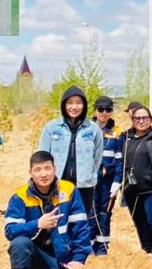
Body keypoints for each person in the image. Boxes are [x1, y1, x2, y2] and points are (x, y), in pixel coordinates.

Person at [2, 150, 92, 269]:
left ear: (54, 169)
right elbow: (10, 231)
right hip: (33, 254)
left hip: (61, 257)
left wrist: (78, 259)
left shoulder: (69, 190)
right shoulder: (20, 196)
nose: (43, 174)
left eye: (47, 168)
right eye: (37, 170)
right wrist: (37, 224)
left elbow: (81, 228)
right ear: (30, 172)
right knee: (19, 243)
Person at [37, 85, 103, 231]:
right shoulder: (52, 127)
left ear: (84, 106)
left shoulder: (93, 129)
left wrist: (89, 173)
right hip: (57, 183)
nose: (74, 107)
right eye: (70, 103)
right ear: (63, 105)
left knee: (80, 222)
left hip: (84, 185)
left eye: (78, 103)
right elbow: (42, 156)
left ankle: (77, 246)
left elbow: (97, 157)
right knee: (56, 221)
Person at [119, 104, 152, 255]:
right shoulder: (125, 137)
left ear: (150, 119)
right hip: (131, 189)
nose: (141, 121)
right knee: (140, 223)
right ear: (132, 120)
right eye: (137, 118)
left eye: (144, 118)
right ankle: (147, 252)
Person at [92, 96, 122, 255]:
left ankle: (102, 248)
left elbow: (119, 159)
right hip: (89, 180)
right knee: (91, 214)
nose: (104, 113)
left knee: (105, 214)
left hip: (108, 181)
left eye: (108, 109)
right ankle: (89, 249)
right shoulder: (87, 130)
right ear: (95, 111)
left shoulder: (116, 132)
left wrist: (117, 181)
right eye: (101, 109)